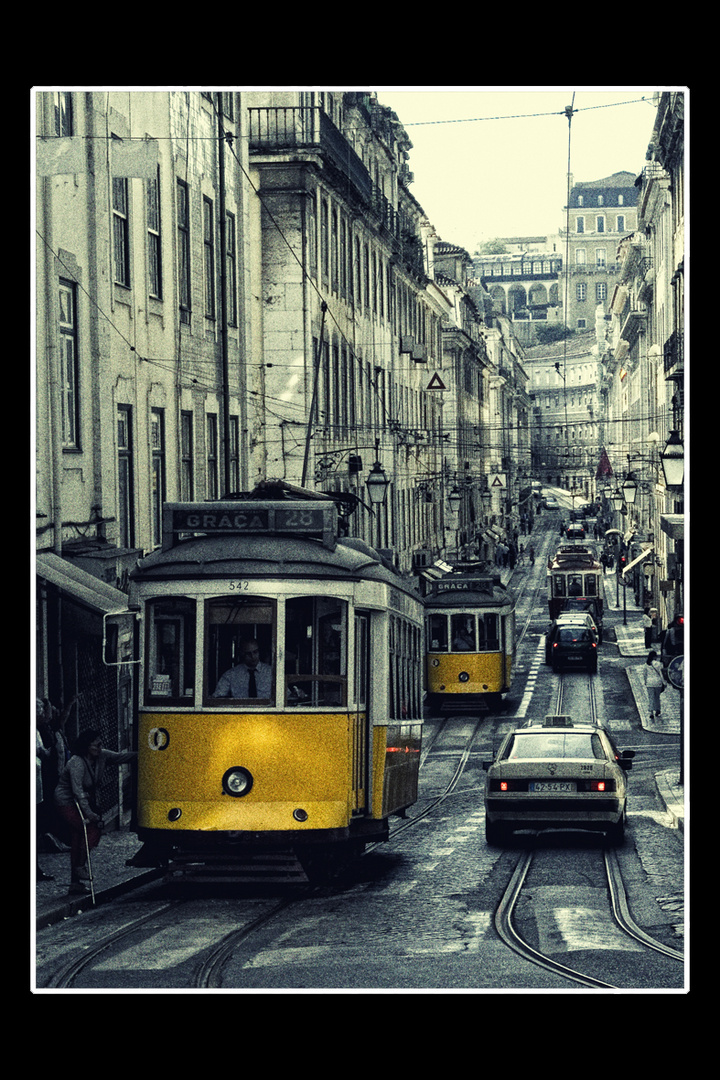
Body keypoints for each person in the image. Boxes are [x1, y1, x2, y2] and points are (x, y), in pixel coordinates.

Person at [54, 729, 137, 893]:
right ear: (87, 746)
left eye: (100, 745)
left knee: (79, 837)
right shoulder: (77, 762)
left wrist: (147, 752)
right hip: (67, 802)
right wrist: (90, 815)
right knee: (89, 828)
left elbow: (120, 757)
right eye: (96, 745)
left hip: (84, 801)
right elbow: (77, 792)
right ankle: (79, 867)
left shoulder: (102, 756)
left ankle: (76, 881)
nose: (100, 748)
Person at [644, 651, 666, 720]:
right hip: (658, 683)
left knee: (651, 698)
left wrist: (645, 682)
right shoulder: (659, 664)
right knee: (657, 697)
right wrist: (664, 683)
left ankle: (651, 712)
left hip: (649, 683)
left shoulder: (646, 665)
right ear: (655, 656)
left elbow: (645, 674)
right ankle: (657, 710)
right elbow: (661, 674)